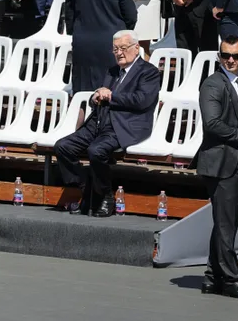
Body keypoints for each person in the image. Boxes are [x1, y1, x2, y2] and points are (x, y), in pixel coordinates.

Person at [54, 29, 159, 217]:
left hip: (125, 124)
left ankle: (104, 195)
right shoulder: (112, 71)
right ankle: (87, 188)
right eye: (115, 49)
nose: (119, 52)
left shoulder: (148, 72)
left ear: (136, 48)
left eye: (123, 48)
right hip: (99, 121)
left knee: (96, 151)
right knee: (63, 147)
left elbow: (142, 100)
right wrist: (95, 97)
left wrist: (112, 96)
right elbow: (101, 95)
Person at [194, 36, 238, 300]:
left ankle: (212, 277)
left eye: (235, 56)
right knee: (225, 225)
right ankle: (231, 280)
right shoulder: (212, 84)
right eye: (226, 56)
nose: (230, 60)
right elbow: (212, 124)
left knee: (227, 223)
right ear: (219, 57)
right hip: (221, 163)